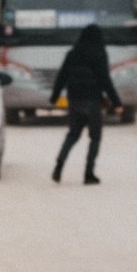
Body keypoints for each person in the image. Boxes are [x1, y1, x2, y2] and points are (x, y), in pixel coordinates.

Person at [49, 23, 124, 185]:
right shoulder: (99, 54)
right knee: (95, 137)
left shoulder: (72, 54)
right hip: (92, 102)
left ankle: (58, 167)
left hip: (74, 100)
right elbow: (105, 80)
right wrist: (116, 102)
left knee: (73, 135)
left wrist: (54, 97)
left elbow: (62, 76)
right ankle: (89, 173)